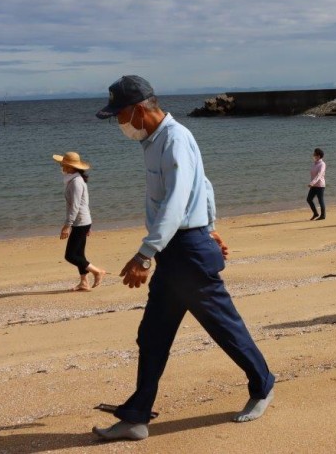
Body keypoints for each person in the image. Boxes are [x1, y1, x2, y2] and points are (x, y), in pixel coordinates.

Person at [92, 75, 275, 442]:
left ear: (140, 109)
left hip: (187, 251)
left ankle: (263, 384)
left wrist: (146, 253)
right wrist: (211, 226)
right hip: (180, 248)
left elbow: (177, 201)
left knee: (224, 327)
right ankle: (136, 417)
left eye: (120, 114)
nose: (119, 123)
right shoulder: (154, 141)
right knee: (152, 334)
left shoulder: (174, 139)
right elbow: (204, 185)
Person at [52, 151, 105, 291]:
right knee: (79, 254)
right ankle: (84, 283)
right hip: (83, 221)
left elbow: (75, 206)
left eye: (63, 164)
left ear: (70, 167)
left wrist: (66, 226)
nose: (61, 167)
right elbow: (84, 203)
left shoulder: (76, 182)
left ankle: (97, 271)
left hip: (80, 222)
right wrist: (89, 224)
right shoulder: (74, 180)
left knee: (70, 255)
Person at [307, 148, 326, 221]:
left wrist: (312, 183)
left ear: (318, 156)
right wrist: (312, 183)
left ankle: (323, 215)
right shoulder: (315, 163)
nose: (313, 155)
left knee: (320, 200)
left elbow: (319, 175)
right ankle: (315, 213)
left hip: (320, 185)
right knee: (309, 199)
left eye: (314, 154)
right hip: (314, 185)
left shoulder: (322, 164)